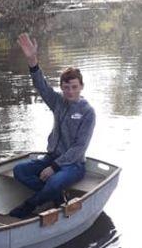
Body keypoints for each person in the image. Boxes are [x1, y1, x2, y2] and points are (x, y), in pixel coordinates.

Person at [10, 33, 96, 219]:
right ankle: (57, 197)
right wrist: (33, 62)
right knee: (19, 171)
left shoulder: (88, 112)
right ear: (62, 87)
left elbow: (79, 148)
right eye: (66, 87)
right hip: (51, 157)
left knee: (55, 181)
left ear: (81, 86)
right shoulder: (58, 102)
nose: (70, 91)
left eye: (74, 87)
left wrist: (55, 167)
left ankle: (29, 206)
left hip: (73, 165)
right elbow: (42, 87)